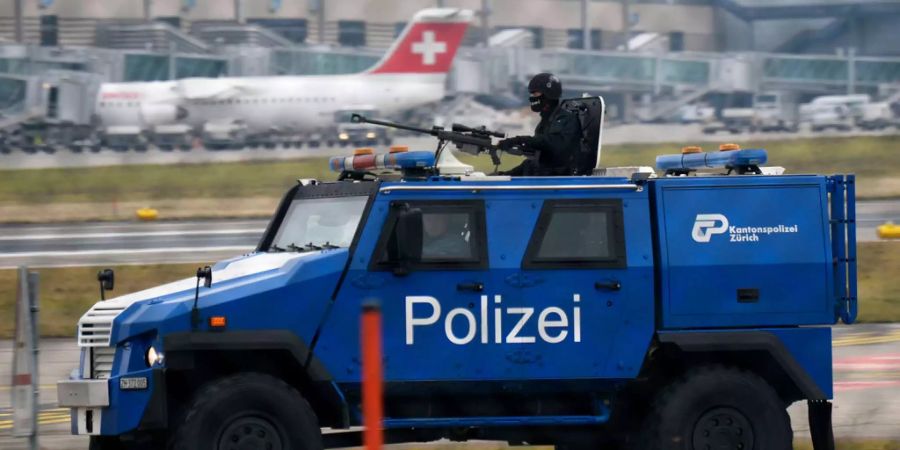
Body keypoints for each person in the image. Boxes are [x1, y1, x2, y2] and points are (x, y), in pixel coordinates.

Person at [497, 73, 582, 176]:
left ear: (548, 95)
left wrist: (522, 140)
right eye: (531, 94)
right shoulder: (546, 121)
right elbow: (538, 156)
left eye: (536, 94)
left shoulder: (568, 119)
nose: (532, 98)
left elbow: (555, 146)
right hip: (543, 174)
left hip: (557, 179)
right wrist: (505, 175)